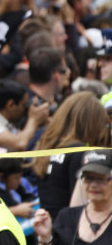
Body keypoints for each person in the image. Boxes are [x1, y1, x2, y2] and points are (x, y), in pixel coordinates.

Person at [31, 91, 111, 220]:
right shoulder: (80, 152)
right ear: (91, 123)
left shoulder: (46, 147)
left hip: (48, 227)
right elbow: (82, 205)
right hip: (69, 230)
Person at [33, 149, 112, 244]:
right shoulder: (66, 217)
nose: (93, 185)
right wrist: (45, 237)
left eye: (100, 179)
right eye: (88, 178)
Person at [0, 79, 49, 151]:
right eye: (24, 105)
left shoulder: (11, 126)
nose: (25, 110)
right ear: (11, 105)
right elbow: (19, 144)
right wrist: (33, 120)